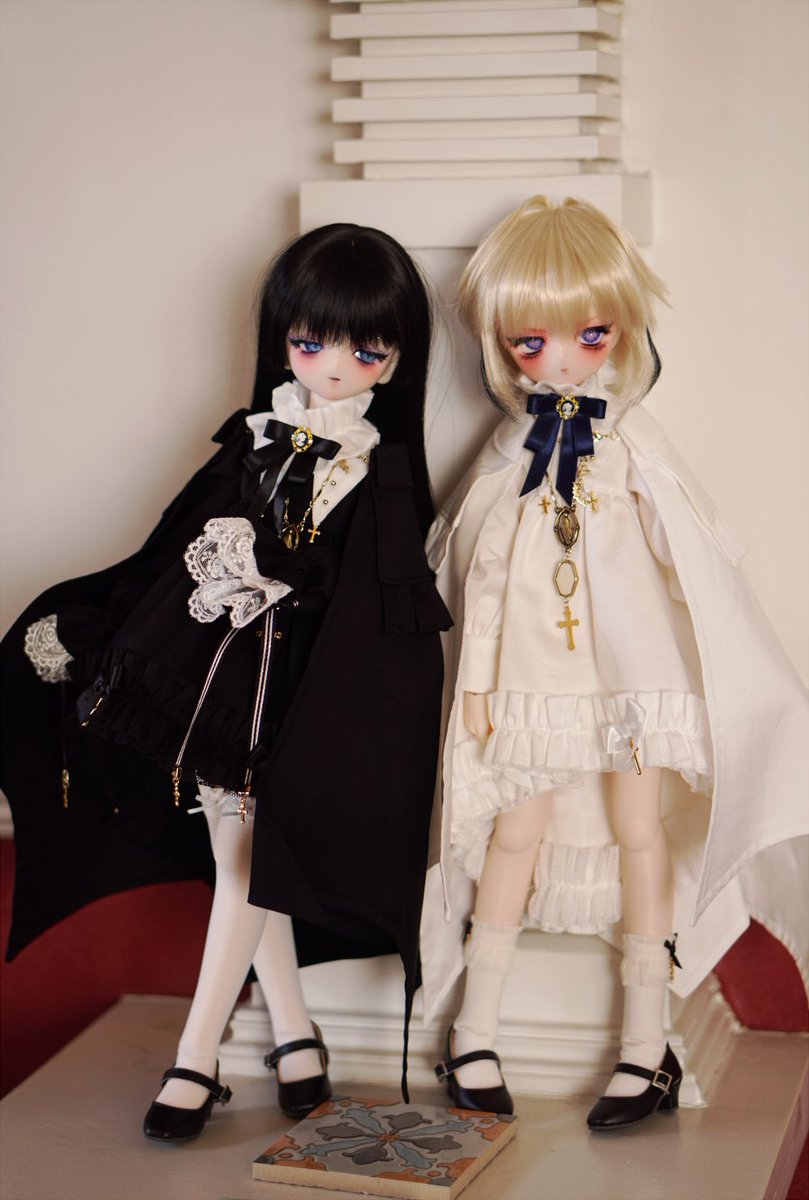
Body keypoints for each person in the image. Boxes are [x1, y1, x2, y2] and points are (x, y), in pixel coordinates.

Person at [2, 223, 450, 1141]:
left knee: (248, 863)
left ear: (396, 359)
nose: (334, 367)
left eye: (364, 351)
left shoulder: (380, 474)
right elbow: (168, 552)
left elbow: (390, 612)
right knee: (240, 863)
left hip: (300, 706)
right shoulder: (251, 442)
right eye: (311, 343)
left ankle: (198, 1054)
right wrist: (98, 627)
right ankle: (294, 1036)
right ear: (281, 340)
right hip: (213, 697)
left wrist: (303, 581)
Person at [419, 195, 809, 1130]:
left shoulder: (635, 448)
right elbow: (477, 574)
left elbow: (696, 569)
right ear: (503, 346)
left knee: (640, 831)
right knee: (513, 832)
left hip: (632, 687)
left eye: (588, 335)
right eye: (531, 342)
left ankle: (646, 1040)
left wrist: (712, 675)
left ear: (621, 331)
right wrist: (476, 687)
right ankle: (473, 1028)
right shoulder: (510, 453)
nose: (560, 359)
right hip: (530, 690)